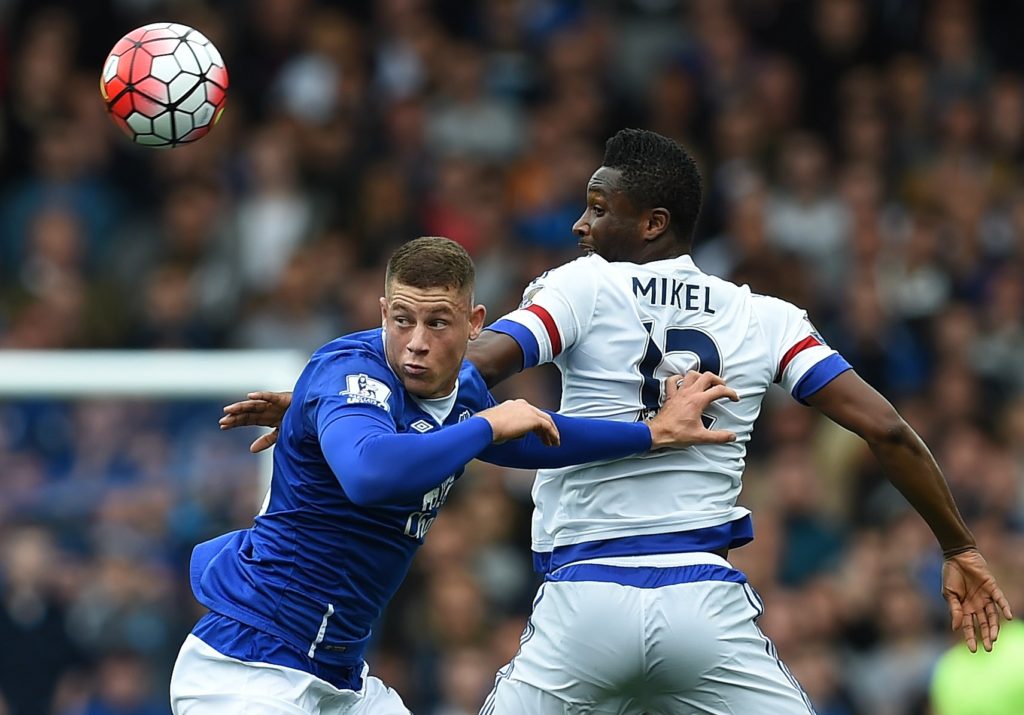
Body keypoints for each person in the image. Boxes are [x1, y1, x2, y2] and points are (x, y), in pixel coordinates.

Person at [222, 131, 1012, 714]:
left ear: (653, 223)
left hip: (583, 607)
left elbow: (471, 366)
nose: (579, 224)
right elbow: (888, 431)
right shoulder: (767, 319)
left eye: (598, 209)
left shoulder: (583, 288)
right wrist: (958, 544)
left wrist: (344, 401)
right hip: (707, 609)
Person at [171, 236, 740, 714]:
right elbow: (369, 474)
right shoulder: (350, 374)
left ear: (473, 324)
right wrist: (487, 427)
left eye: (437, 322)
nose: (416, 342)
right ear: (381, 314)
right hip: (250, 665)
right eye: (402, 319)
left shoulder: (460, 392)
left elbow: (535, 437)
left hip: (338, 677)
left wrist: (653, 433)